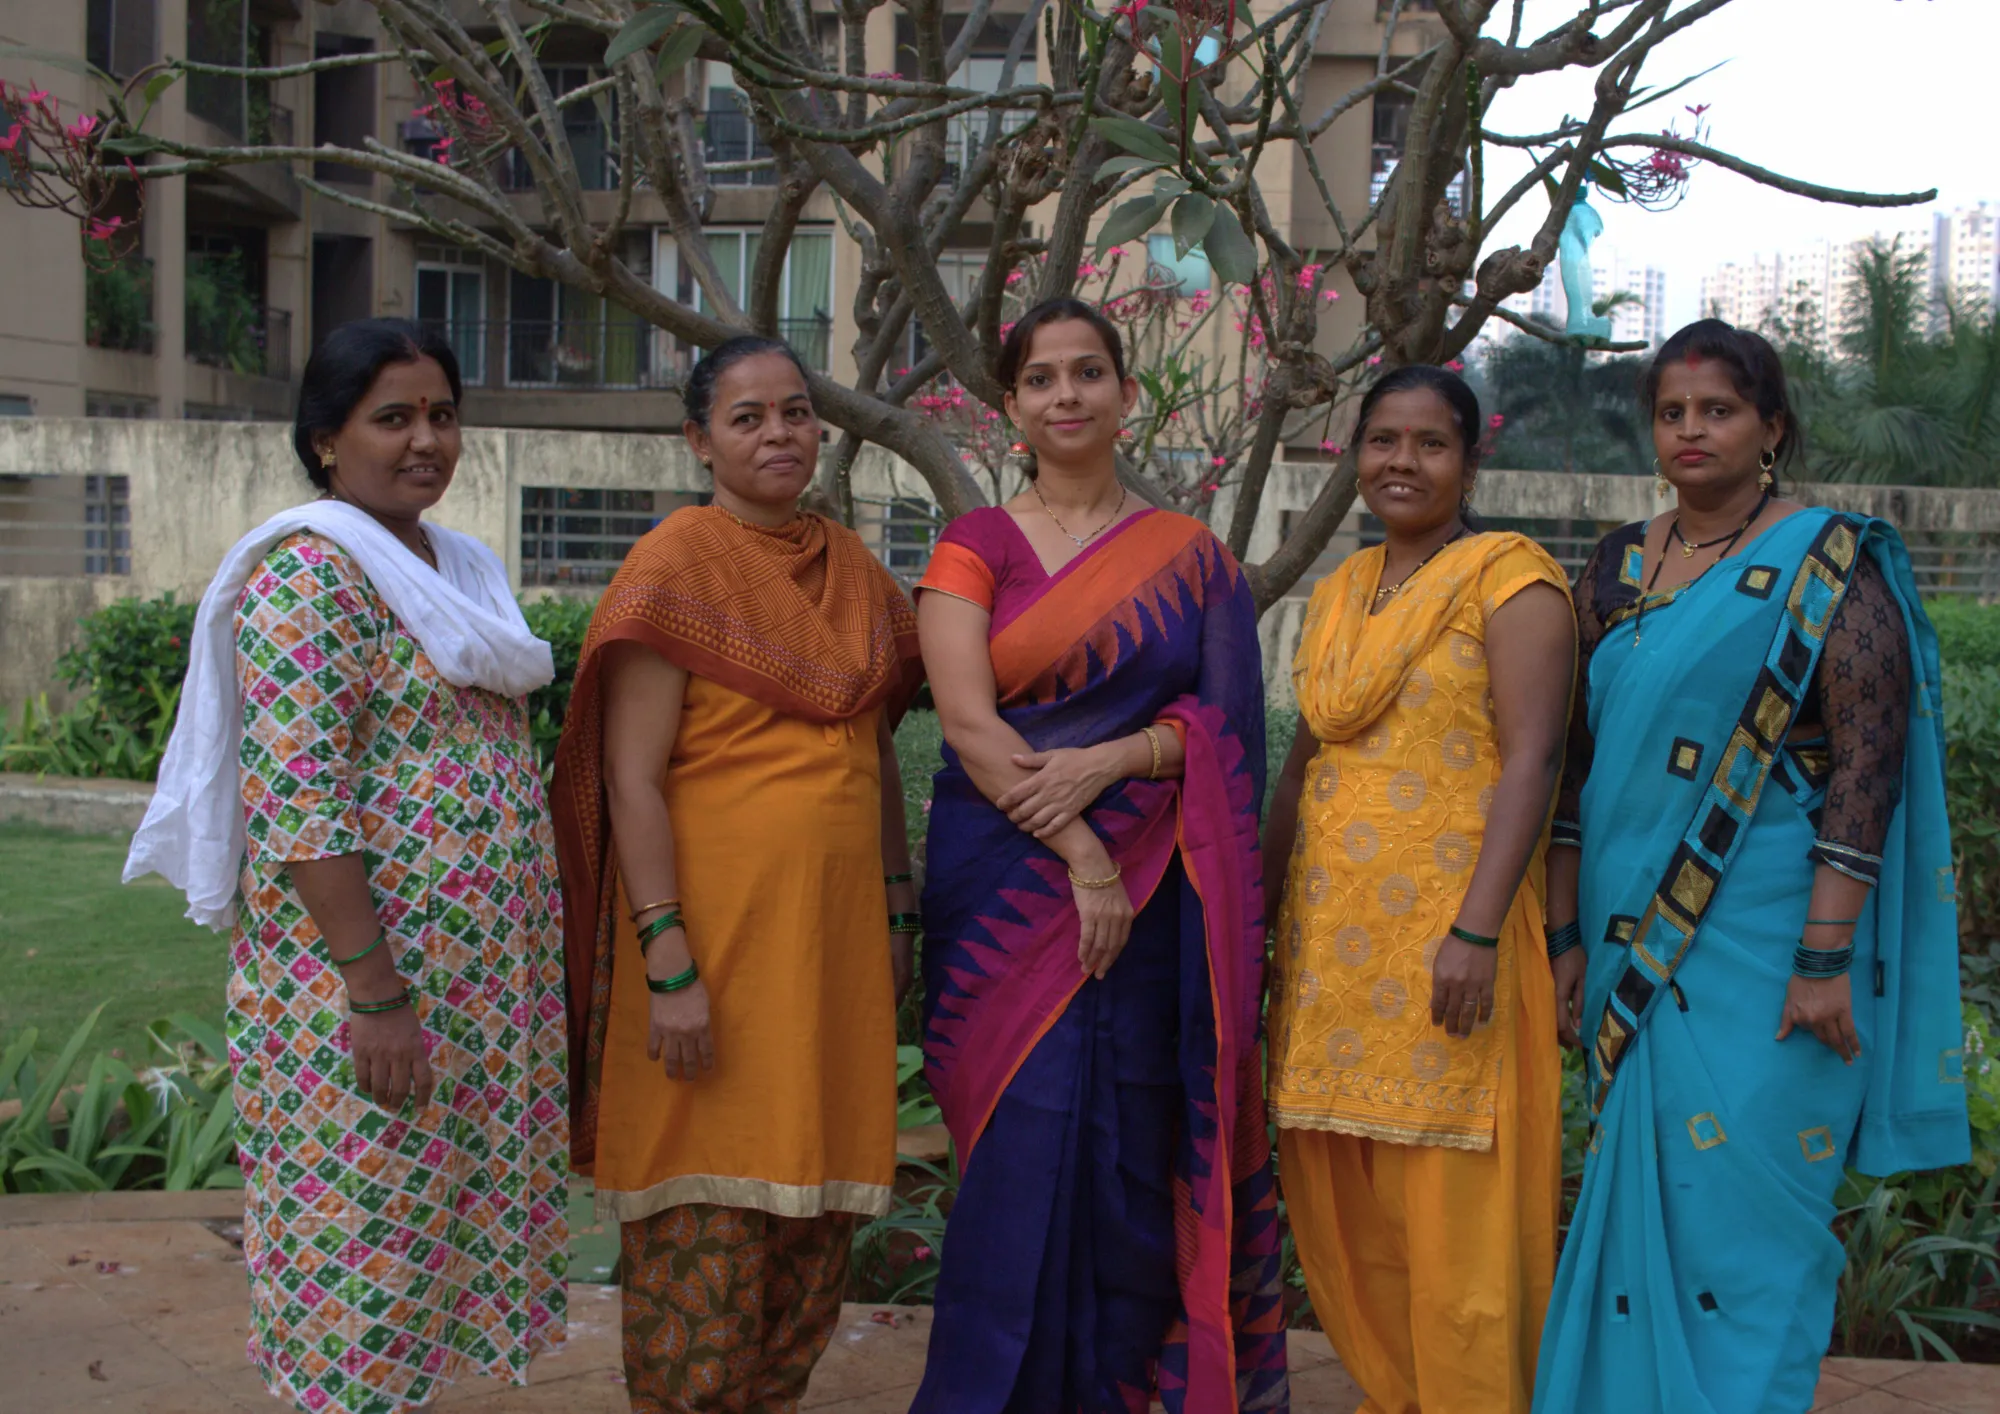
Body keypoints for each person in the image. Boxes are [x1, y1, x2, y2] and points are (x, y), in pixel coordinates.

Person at [124, 318, 569, 1412]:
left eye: (442, 415)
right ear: (327, 440)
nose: (426, 440)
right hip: (364, 988)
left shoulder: (455, 568)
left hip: (474, 991)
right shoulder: (310, 578)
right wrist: (373, 991)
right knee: (362, 1247)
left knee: (437, 1240)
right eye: (393, 418)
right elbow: (300, 807)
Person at [1533, 320, 1970, 1414]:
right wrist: (1563, 937)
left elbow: (1867, 770)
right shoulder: (1614, 568)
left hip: (1774, 949)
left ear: (1770, 427)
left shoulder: (1829, 561)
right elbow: (1574, 769)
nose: (1691, 429)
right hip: (1627, 938)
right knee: (1648, 1196)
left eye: (1718, 410)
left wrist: (1823, 960)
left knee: (1750, 1217)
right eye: (1671, 412)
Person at [908, 297, 1289, 1413]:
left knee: (1131, 1145)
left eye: (1087, 372)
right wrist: (1084, 857)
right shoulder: (974, 546)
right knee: (1012, 1157)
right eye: (1040, 378)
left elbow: (1225, 730)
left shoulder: (1192, 560)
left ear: (1126, 394)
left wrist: (1116, 758)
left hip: (1158, 899)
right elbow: (969, 725)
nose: (1065, 394)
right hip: (1004, 903)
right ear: (1011, 405)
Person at [550, 335, 924, 1413]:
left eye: (795, 411)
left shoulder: (853, 574)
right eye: (747, 417)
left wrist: (896, 908)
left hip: (830, 953)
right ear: (699, 440)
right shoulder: (676, 568)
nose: (778, 434)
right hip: (709, 951)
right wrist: (667, 958)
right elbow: (631, 780)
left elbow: (870, 757)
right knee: (702, 1222)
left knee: (814, 1215)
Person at [1262, 364, 1575, 1414]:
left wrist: (1475, 933)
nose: (1402, 462)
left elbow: (1534, 760)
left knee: (1454, 1223)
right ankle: (1395, 1393)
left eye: (1430, 443)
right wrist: (1256, 922)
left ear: (1470, 462)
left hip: (1451, 950)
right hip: (1332, 958)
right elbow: (1302, 766)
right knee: (1348, 1210)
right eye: (1382, 440)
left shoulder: (1510, 580)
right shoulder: (1341, 592)